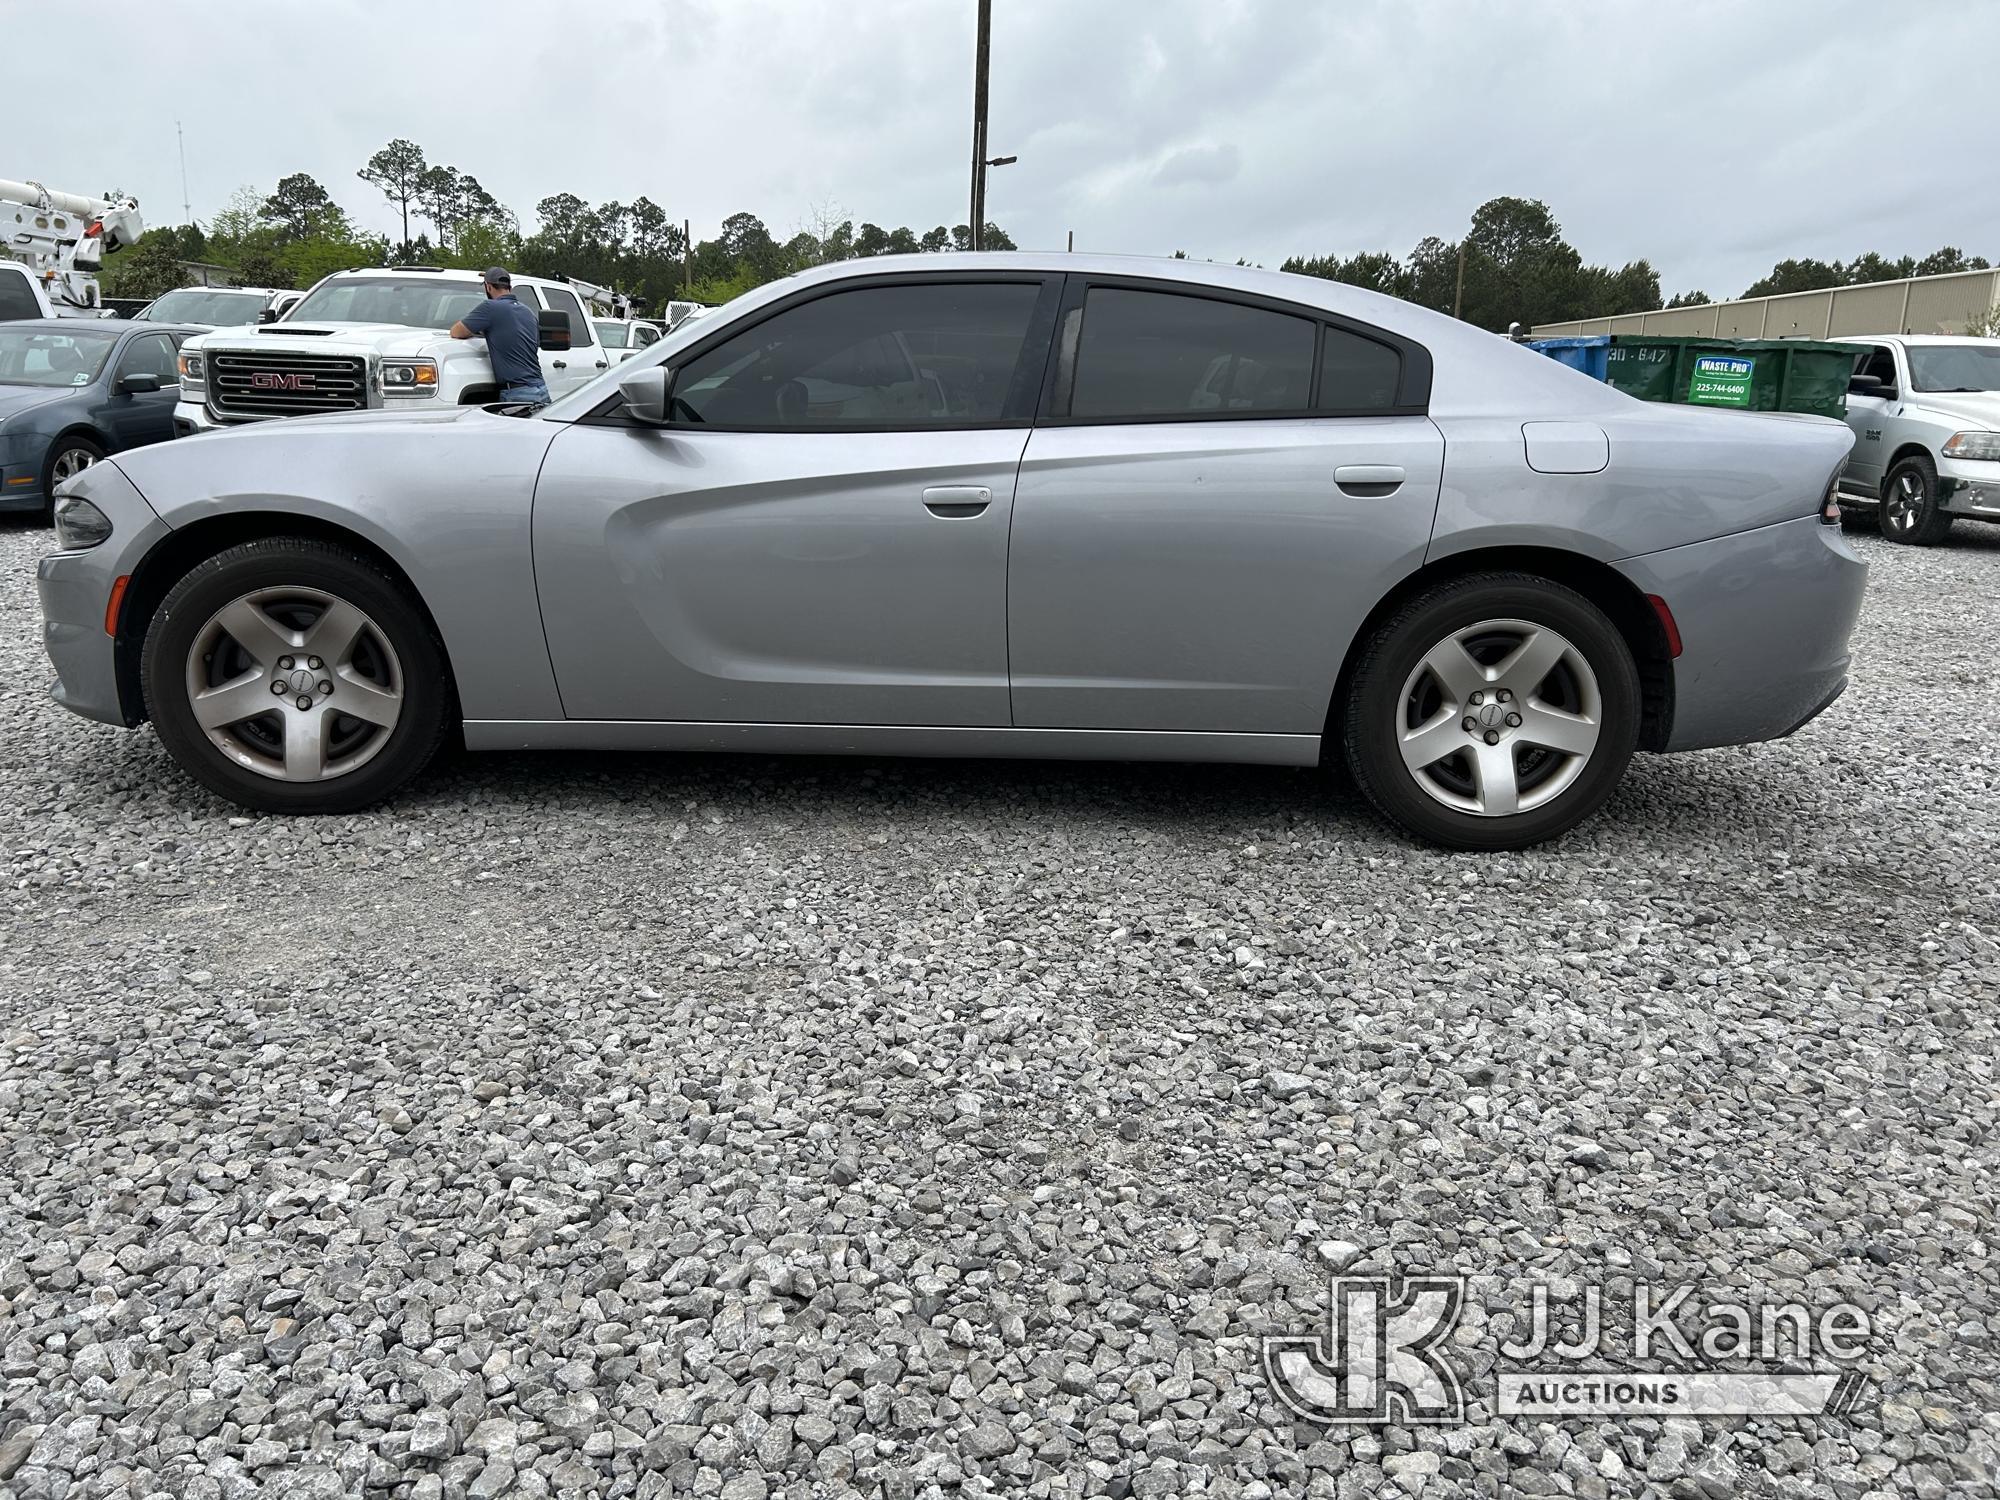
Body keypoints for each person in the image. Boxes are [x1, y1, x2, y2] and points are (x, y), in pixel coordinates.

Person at [450, 268, 550, 407]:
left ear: (488, 286)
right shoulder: (527, 312)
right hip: (541, 389)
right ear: (510, 287)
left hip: (517, 394)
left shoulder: (490, 308)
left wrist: (480, 329)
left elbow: (456, 332)